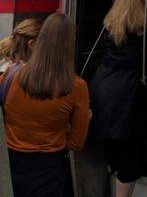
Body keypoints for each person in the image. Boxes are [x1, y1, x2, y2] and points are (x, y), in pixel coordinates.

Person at [0, 12, 90, 197]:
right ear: (69, 45)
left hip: (10, 164)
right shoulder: (77, 87)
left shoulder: (8, 77)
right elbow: (76, 143)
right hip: (50, 167)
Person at [89, 0, 147, 197]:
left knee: (118, 160)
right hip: (126, 106)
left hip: (104, 97)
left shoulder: (111, 34)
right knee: (130, 165)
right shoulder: (142, 39)